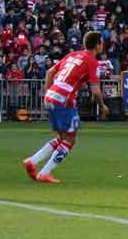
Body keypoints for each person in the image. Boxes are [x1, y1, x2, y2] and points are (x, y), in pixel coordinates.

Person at [23, 31, 110, 184]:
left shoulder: (73, 55)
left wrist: (48, 93)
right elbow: (95, 90)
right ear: (97, 45)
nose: (103, 45)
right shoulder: (91, 61)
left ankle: (32, 161)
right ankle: (44, 173)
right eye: (101, 42)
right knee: (70, 139)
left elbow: (50, 72)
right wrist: (102, 105)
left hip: (51, 96)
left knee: (61, 137)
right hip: (64, 99)